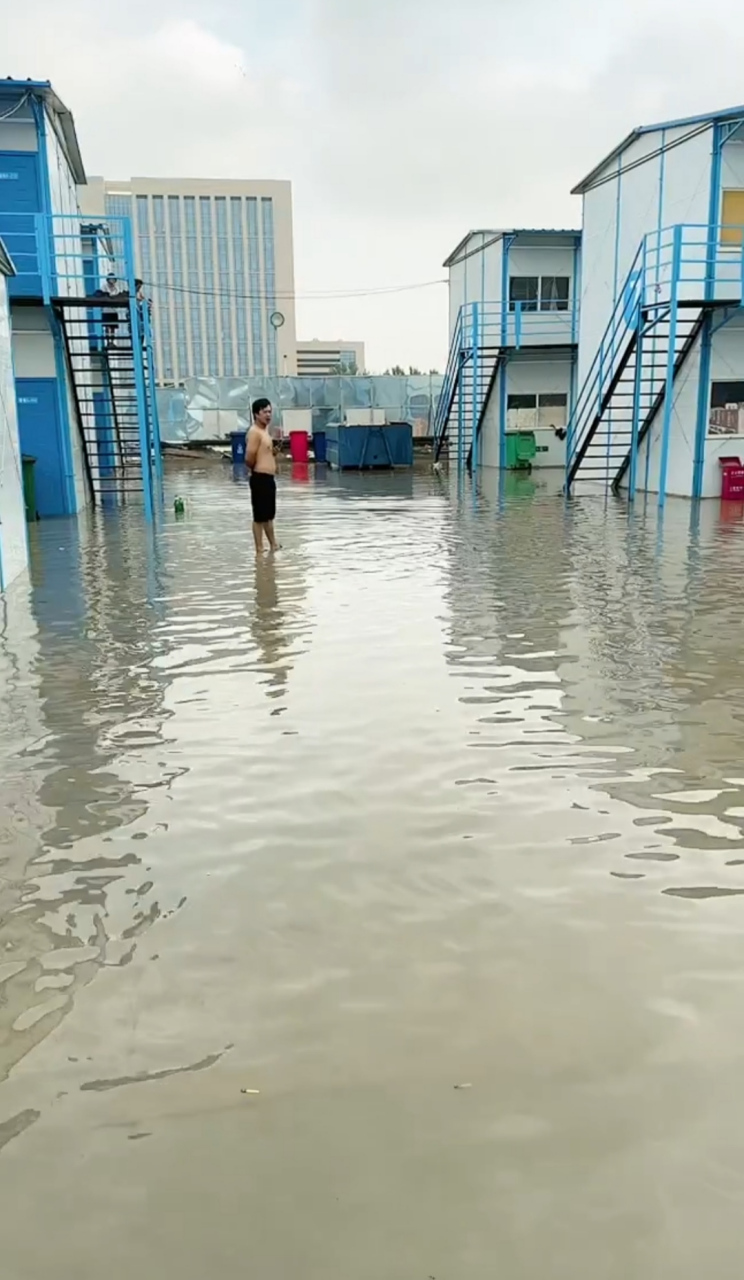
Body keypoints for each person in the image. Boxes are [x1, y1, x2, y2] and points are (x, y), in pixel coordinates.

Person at [245, 398, 280, 554]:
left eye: (270, 412)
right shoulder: (254, 432)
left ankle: (273, 545)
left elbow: (264, 453)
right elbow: (249, 457)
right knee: (259, 516)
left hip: (268, 479)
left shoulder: (264, 431)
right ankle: (259, 549)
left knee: (269, 515)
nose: (268, 415)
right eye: (265, 412)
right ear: (256, 414)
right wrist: (256, 470)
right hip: (260, 478)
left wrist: (273, 453)